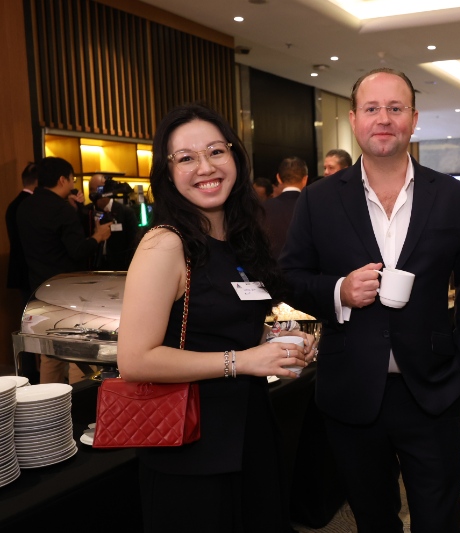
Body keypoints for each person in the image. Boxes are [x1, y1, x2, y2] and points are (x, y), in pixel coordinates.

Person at [280, 68, 460, 532]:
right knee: (373, 519)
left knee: (440, 519)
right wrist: (339, 290)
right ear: (354, 120)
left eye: (395, 108)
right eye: (372, 108)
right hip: (351, 390)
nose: (384, 118)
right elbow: (290, 278)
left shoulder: (453, 196)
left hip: (433, 389)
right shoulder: (317, 200)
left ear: (413, 118)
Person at [116, 103, 317, 532]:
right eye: (186, 158)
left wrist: (276, 341)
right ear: (168, 172)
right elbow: (134, 359)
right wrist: (242, 360)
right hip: (190, 446)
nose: (205, 167)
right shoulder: (164, 244)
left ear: (235, 157)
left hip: (251, 432)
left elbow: (222, 327)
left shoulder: (240, 240)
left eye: (215, 152)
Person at [17, 156, 112, 384]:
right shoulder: (61, 209)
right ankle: (80, 400)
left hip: (39, 288)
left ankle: (48, 400)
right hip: (68, 290)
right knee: (78, 351)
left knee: (50, 354)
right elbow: (78, 250)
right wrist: (98, 236)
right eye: (72, 179)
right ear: (62, 180)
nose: (72, 184)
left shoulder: (24, 206)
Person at [6, 162, 39, 383]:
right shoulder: (30, 205)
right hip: (31, 272)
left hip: (20, 271)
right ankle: (30, 373)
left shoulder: (13, 204)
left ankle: (30, 371)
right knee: (31, 325)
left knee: (26, 322)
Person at [87, 173, 139, 271]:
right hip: (93, 267)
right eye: (91, 189)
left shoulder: (126, 212)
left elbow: (133, 244)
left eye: (99, 189)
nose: (94, 193)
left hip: (119, 267)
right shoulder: (87, 212)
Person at [262, 156, 308, 258]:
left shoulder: (263, 208)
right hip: (305, 267)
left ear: (278, 178)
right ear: (305, 179)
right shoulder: (313, 207)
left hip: (270, 266)